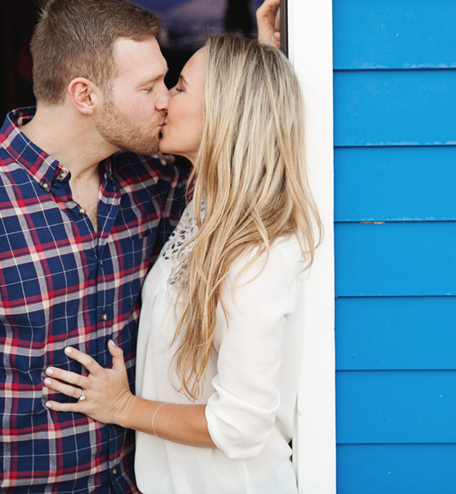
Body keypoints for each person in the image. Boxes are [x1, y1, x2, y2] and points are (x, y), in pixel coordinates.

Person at [0, 0, 281, 493]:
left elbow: (236, 154)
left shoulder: (151, 180)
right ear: (85, 96)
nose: (166, 100)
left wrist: (259, 67)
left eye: (170, 84)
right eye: (150, 86)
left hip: (128, 483)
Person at [43, 34, 321, 494]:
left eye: (181, 87)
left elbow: (240, 426)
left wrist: (123, 407)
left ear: (228, 112)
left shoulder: (259, 250)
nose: (165, 101)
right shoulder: (201, 210)